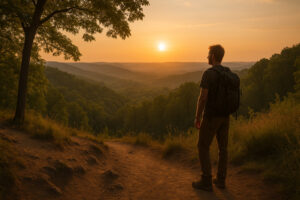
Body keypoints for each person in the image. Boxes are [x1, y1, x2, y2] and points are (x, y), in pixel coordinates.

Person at [192, 44, 230, 191]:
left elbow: (203, 98)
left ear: (213, 56)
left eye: (208, 55)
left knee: (203, 146)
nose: (207, 57)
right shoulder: (228, 72)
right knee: (223, 149)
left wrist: (198, 117)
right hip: (225, 116)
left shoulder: (209, 74)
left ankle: (206, 180)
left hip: (211, 116)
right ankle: (221, 181)